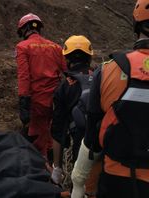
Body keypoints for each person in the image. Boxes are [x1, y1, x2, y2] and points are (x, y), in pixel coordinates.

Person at [71, 1, 149, 197]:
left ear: (136, 24)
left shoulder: (108, 69)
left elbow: (92, 138)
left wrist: (78, 181)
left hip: (115, 179)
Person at [50, 35, 101, 197]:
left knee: (79, 187)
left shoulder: (64, 87)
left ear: (66, 58)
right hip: (105, 146)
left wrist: (57, 167)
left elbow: (57, 131)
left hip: (80, 147)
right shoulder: (104, 77)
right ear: (90, 55)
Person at [16, 13, 67, 158]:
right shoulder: (56, 47)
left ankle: (42, 169)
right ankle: (54, 166)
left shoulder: (22, 47)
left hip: (36, 102)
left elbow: (24, 77)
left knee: (36, 139)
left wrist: (23, 102)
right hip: (55, 102)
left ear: (24, 30)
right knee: (51, 134)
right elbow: (68, 73)